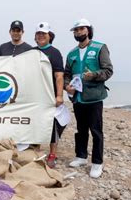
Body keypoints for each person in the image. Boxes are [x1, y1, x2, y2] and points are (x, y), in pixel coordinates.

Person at [64, 18, 113, 178]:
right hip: (78, 98)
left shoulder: (100, 48)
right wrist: (66, 86)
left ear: (88, 30)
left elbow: (108, 70)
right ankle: (81, 156)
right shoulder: (71, 54)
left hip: (94, 97)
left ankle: (97, 163)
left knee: (96, 131)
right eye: (76, 30)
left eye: (81, 29)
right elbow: (67, 74)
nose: (78, 32)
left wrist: (94, 75)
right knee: (81, 129)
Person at [32, 22, 65, 169]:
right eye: (38, 34)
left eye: (43, 34)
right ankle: (36, 150)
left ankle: (52, 154)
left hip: (50, 95)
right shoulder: (31, 52)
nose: (40, 36)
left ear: (49, 36)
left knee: (53, 125)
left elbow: (59, 76)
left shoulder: (55, 52)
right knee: (36, 123)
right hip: (34, 95)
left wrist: (59, 96)